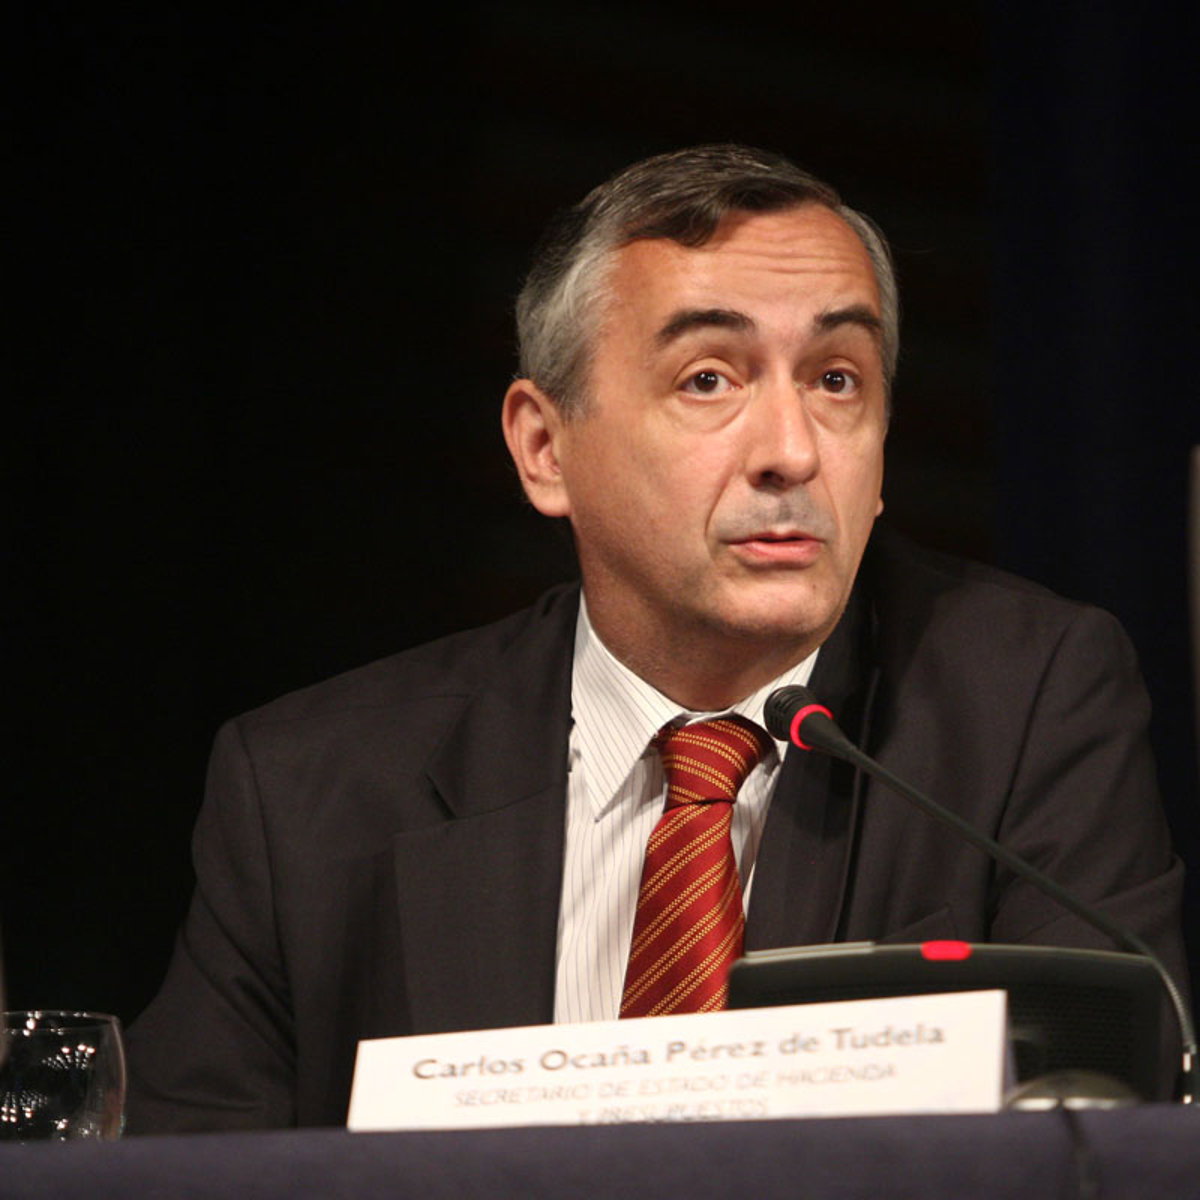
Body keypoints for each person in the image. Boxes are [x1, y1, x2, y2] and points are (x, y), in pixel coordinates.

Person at [125, 145, 1187, 1130]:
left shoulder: (1026, 704)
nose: (792, 452)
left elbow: (1100, 1139)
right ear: (545, 449)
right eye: (708, 378)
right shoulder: (311, 792)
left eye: (836, 380)